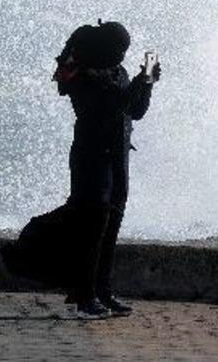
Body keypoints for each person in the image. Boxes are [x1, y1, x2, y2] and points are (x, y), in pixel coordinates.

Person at [52, 20, 161, 319]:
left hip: (117, 156)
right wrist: (139, 84)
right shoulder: (81, 76)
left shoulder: (117, 73)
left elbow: (134, 112)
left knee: (111, 224)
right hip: (91, 158)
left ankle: (102, 291)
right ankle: (84, 295)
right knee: (92, 228)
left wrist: (146, 84)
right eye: (117, 50)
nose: (122, 57)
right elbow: (108, 110)